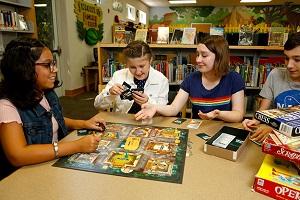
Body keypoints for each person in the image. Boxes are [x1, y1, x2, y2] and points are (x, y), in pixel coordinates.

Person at [0, 38, 106, 179]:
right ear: (24, 67)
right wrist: (76, 146)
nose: (55, 69)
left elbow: (51, 120)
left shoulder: (45, 92)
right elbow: (18, 155)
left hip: (52, 165)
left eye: (53, 63)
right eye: (47, 65)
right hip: (28, 176)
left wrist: (83, 123)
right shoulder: (6, 105)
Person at [135, 35, 245, 122]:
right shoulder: (191, 79)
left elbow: (238, 115)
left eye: (204, 55)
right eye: (197, 54)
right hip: (199, 129)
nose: (198, 60)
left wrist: (219, 114)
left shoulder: (234, 79)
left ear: (220, 57)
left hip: (224, 130)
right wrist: (155, 107)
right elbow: (174, 108)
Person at [242, 32, 300, 142]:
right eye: (286, 58)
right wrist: (254, 121)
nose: (289, 65)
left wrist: (274, 128)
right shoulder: (275, 74)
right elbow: (262, 112)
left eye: (297, 59)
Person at [94, 40, 169, 114]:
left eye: (142, 66)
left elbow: (164, 111)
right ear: (127, 64)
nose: (138, 72)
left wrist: (148, 102)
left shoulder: (161, 80)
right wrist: (110, 93)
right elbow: (97, 105)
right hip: (122, 122)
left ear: (150, 60)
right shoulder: (118, 75)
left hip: (150, 122)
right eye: (132, 67)